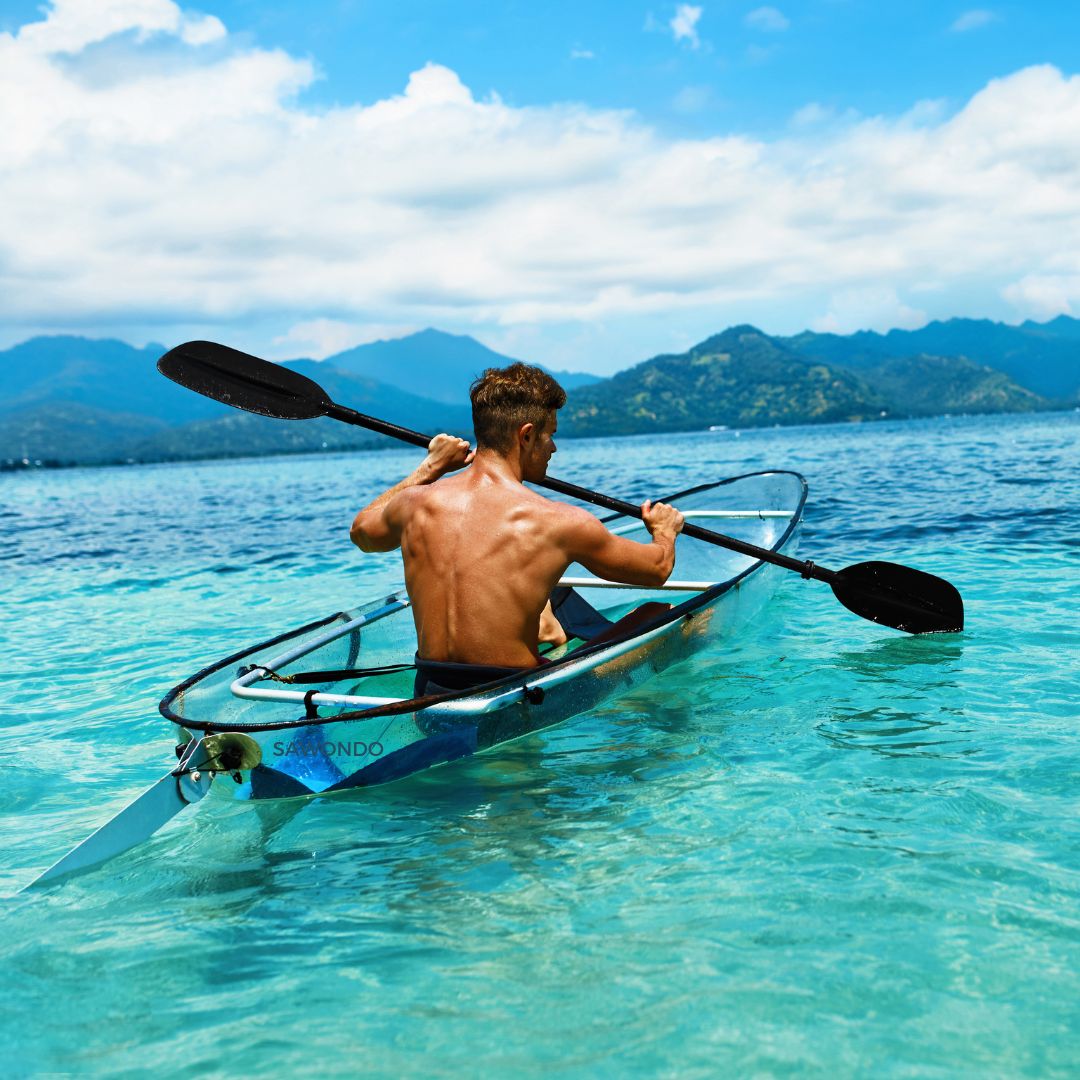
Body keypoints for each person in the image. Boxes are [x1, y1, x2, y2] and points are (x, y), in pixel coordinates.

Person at [350, 362, 684, 695]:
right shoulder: (558, 521)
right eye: (550, 434)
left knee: (544, 595)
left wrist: (431, 467)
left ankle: (548, 627)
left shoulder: (414, 504)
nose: (553, 447)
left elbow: (362, 532)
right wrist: (664, 531)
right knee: (662, 614)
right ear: (526, 435)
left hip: (429, 691)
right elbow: (656, 570)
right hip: (513, 699)